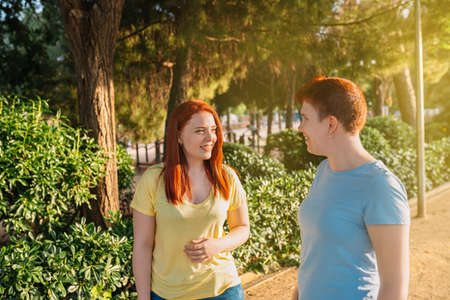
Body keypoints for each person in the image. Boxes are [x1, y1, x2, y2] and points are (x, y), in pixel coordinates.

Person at [292, 76, 410, 300]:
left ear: (331, 124)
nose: (300, 127)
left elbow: (394, 287)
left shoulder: (381, 187)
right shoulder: (324, 171)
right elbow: (315, 251)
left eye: (305, 118)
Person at [131, 100, 249, 300]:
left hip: (223, 290)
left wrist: (218, 245)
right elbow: (142, 245)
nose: (210, 137)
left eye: (213, 130)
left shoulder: (227, 177)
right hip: (167, 293)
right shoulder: (154, 180)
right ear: (178, 136)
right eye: (200, 131)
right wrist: (143, 297)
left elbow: (243, 228)